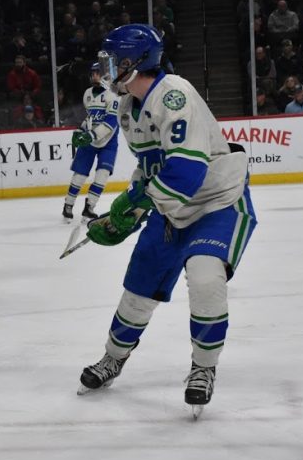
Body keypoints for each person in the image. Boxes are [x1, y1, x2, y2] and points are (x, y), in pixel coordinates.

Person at [77, 24, 256, 417]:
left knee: (206, 277)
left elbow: (186, 171)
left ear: (132, 63)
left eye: (110, 60)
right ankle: (113, 357)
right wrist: (128, 211)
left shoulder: (174, 93)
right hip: (172, 207)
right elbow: (151, 167)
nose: (103, 68)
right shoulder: (127, 108)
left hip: (216, 203)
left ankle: (204, 369)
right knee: (139, 288)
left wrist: (134, 202)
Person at [63, 62, 119, 223]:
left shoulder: (113, 96)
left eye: (97, 73)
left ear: (105, 75)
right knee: (79, 175)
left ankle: (90, 207)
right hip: (91, 138)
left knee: (102, 174)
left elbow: (110, 123)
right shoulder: (87, 94)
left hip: (108, 141)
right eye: (93, 73)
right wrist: (80, 131)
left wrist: (91, 135)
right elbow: (90, 118)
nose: (94, 76)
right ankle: (68, 204)